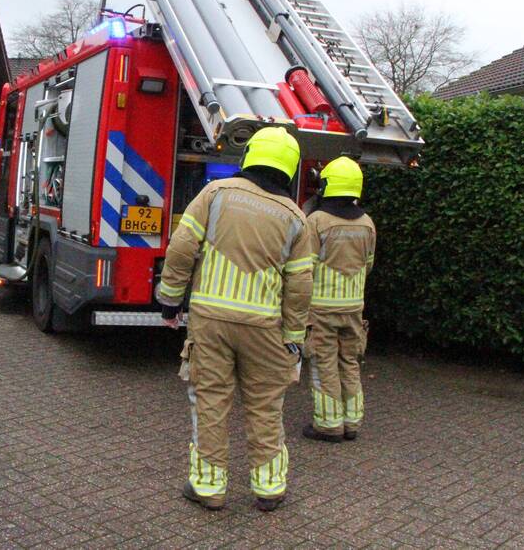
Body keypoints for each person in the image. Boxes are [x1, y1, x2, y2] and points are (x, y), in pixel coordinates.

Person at [156, 126, 313, 512]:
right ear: (289, 169)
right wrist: (294, 336)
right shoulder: (296, 217)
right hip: (265, 328)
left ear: (249, 157)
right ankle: (270, 487)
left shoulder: (215, 194)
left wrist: (170, 301)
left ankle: (209, 488)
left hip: (210, 321)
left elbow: (181, 248)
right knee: (265, 405)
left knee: (210, 400)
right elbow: (300, 284)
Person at [301, 156, 376, 443]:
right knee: (350, 361)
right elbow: (368, 264)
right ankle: (351, 422)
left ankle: (328, 425)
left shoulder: (317, 221)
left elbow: (304, 267)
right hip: (353, 307)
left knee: (323, 363)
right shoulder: (367, 223)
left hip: (321, 308)